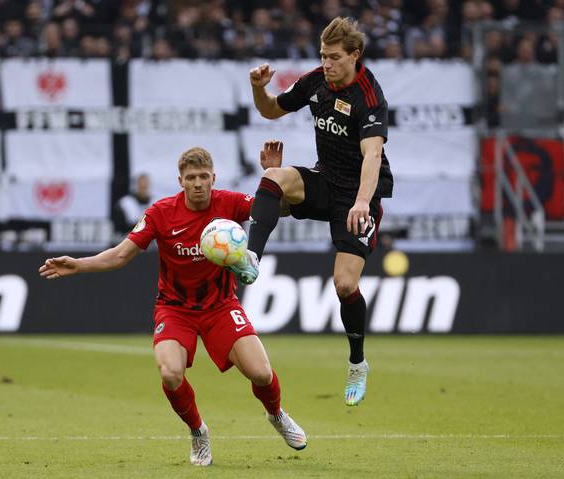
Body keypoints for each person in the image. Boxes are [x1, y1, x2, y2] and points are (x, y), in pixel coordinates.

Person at [38, 144, 306, 467]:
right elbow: (121, 254)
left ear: (213, 178)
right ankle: (198, 431)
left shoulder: (229, 203)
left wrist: (273, 179)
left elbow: (282, 209)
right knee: (170, 373)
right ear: (180, 180)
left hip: (220, 305)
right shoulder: (160, 213)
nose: (197, 183)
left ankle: (276, 415)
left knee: (261, 373)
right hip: (175, 308)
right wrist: (78, 265)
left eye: (203, 177)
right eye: (191, 177)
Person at [229, 16, 394, 408]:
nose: (327, 64)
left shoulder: (369, 96)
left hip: (359, 197)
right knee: (273, 177)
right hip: (324, 180)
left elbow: (372, 156)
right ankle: (251, 257)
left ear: (355, 56)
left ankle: (357, 362)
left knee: (344, 285)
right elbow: (271, 110)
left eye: (335, 57)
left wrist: (360, 202)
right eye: (323, 56)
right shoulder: (316, 81)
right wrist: (257, 88)